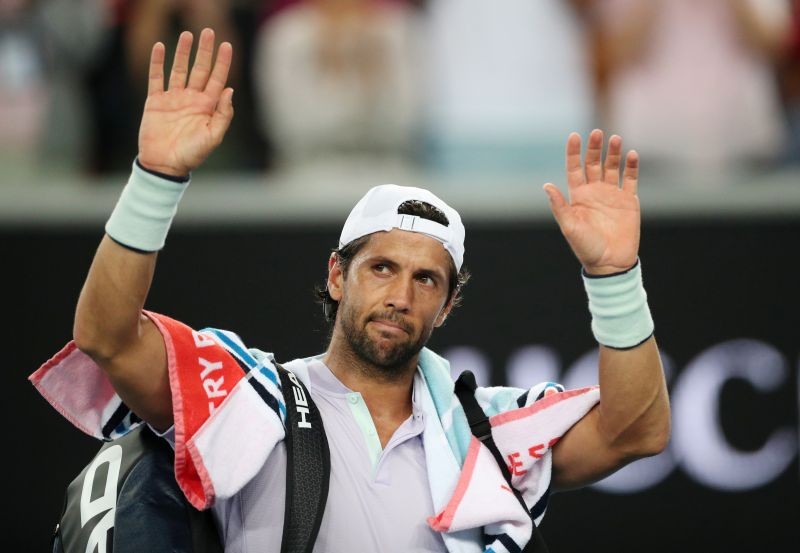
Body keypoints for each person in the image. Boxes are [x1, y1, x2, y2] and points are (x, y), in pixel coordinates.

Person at [31, 29, 670, 552]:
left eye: (427, 279)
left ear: (447, 305)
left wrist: (614, 277)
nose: (402, 295)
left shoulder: (488, 433)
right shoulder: (250, 400)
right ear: (338, 276)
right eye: (382, 268)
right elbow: (106, 335)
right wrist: (156, 178)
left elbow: (636, 431)